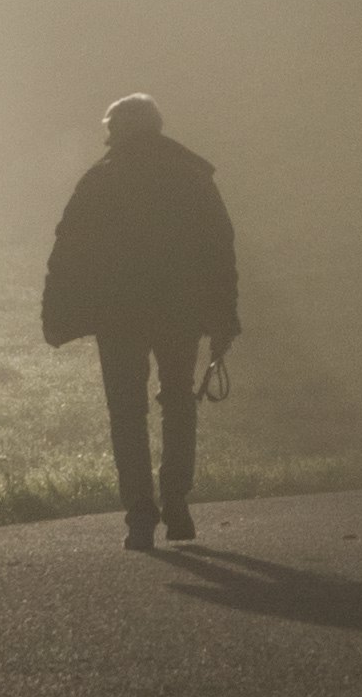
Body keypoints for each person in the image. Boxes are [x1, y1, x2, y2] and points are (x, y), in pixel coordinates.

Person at [38, 94, 239, 548]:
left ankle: (140, 516)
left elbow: (67, 252)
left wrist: (57, 315)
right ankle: (176, 500)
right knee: (179, 402)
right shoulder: (192, 176)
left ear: (123, 131)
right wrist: (224, 315)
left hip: (119, 317)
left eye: (111, 130)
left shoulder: (100, 182)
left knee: (126, 414)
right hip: (179, 314)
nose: (107, 139)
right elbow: (219, 250)